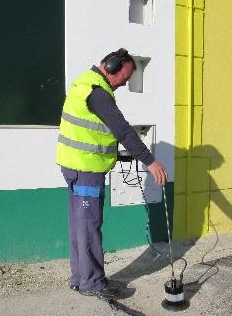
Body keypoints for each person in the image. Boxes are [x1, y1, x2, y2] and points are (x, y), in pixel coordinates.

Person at [56, 48, 168, 300]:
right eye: (124, 78)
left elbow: (93, 132)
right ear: (112, 66)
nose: (123, 84)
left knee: (79, 225)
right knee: (89, 226)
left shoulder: (84, 82)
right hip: (86, 169)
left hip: (74, 165)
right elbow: (123, 131)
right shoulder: (98, 94)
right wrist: (150, 162)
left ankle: (80, 277)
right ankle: (93, 283)